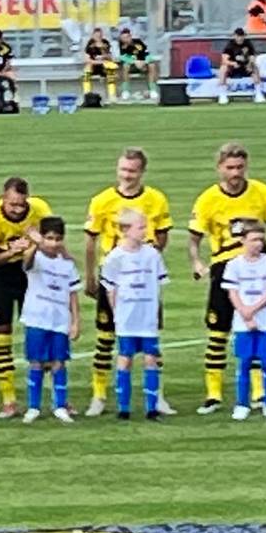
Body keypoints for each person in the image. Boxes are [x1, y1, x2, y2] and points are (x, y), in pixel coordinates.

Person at [190, 143, 266, 414]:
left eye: (240, 167)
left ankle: (257, 391)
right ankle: (214, 393)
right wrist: (197, 261)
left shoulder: (262, 192)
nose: (235, 173)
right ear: (219, 168)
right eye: (230, 168)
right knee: (218, 331)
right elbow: (194, 238)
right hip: (224, 266)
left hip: (258, 268)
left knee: (256, 328)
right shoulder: (208, 199)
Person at [81, 147, 173, 416]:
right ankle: (99, 395)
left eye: (132, 171)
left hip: (143, 280)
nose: (126, 176)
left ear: (142, 172)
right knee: (106, 338)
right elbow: (90, 240)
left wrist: (151, 255)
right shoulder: (101, 201)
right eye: (123, 170)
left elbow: (164, 235)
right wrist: (90, 277)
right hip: (113, 278)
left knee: (151, 340)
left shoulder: (156, 199)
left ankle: (157, 397)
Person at [0, 177, 54, 417]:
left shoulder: (40, 210)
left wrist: (37, 242)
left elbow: (53, 246)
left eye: (21, 204)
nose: (17, 210)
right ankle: (8, 399)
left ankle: (54, 397)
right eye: (12, 205)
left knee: (40, 330)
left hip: (30, 273)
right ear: (3, 199)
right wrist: (13, 251)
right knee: (2, 333)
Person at [98, 209, 169, 420]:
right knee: (125, 358)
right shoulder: (115, 257)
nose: (145, 231)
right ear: (125, 230)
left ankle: (152, 407)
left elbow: (159, 285)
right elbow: (110, 289)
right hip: (127, 318)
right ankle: (124, 407)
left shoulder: (152, 254)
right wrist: (116, 314)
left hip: (147, 316)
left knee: (151, 358)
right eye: (141, 227)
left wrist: (158, 312)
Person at [17, 218, 79, 423]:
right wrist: (35, 243)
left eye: (57, 239)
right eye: (49, 238)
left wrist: (76, 321)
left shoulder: (68, 263)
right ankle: (33, 407)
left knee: (59, 363)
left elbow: (72, 294)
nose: (53, 243)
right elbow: (26, 264)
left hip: (59, 320)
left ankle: (60, 405)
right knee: (36, 362)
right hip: (36, 318)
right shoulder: (36, 257)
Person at [222, 223, 266, 421]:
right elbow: (232, 292)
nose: (258, 244)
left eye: (261, 240)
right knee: (244, 362)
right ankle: (242, 404)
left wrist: (253, 310)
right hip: (243, 323)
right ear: (242, 241)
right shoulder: (234, 265)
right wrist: (245, 313)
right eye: (254, 240)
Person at [220, 25, 262, 101]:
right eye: (238, 36)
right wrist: (232, 63)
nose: (240, 38)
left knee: (255, 67)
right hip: (233, 68)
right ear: (235, 36)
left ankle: (258, 93)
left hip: (245, 67)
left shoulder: (248, 44)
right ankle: (223, 94)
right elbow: (224, 60)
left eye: (242, 36)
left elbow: (252, 57)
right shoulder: (230, 45)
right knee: (223, 68)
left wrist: (250, 64)